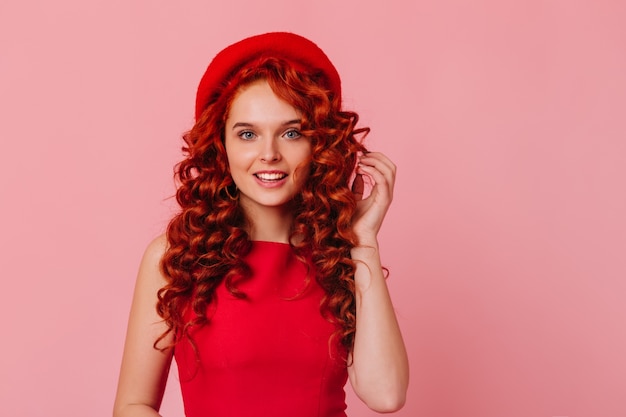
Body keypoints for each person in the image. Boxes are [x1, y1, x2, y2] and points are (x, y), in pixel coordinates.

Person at [113, 32, 408, 417]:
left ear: (317, 143)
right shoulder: (177, 257)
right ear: (221, 145)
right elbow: (134, 405)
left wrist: (364, 242)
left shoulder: (340, 257)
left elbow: (386, 395)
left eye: (291, 133)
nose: (269, 154)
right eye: (248, 134)